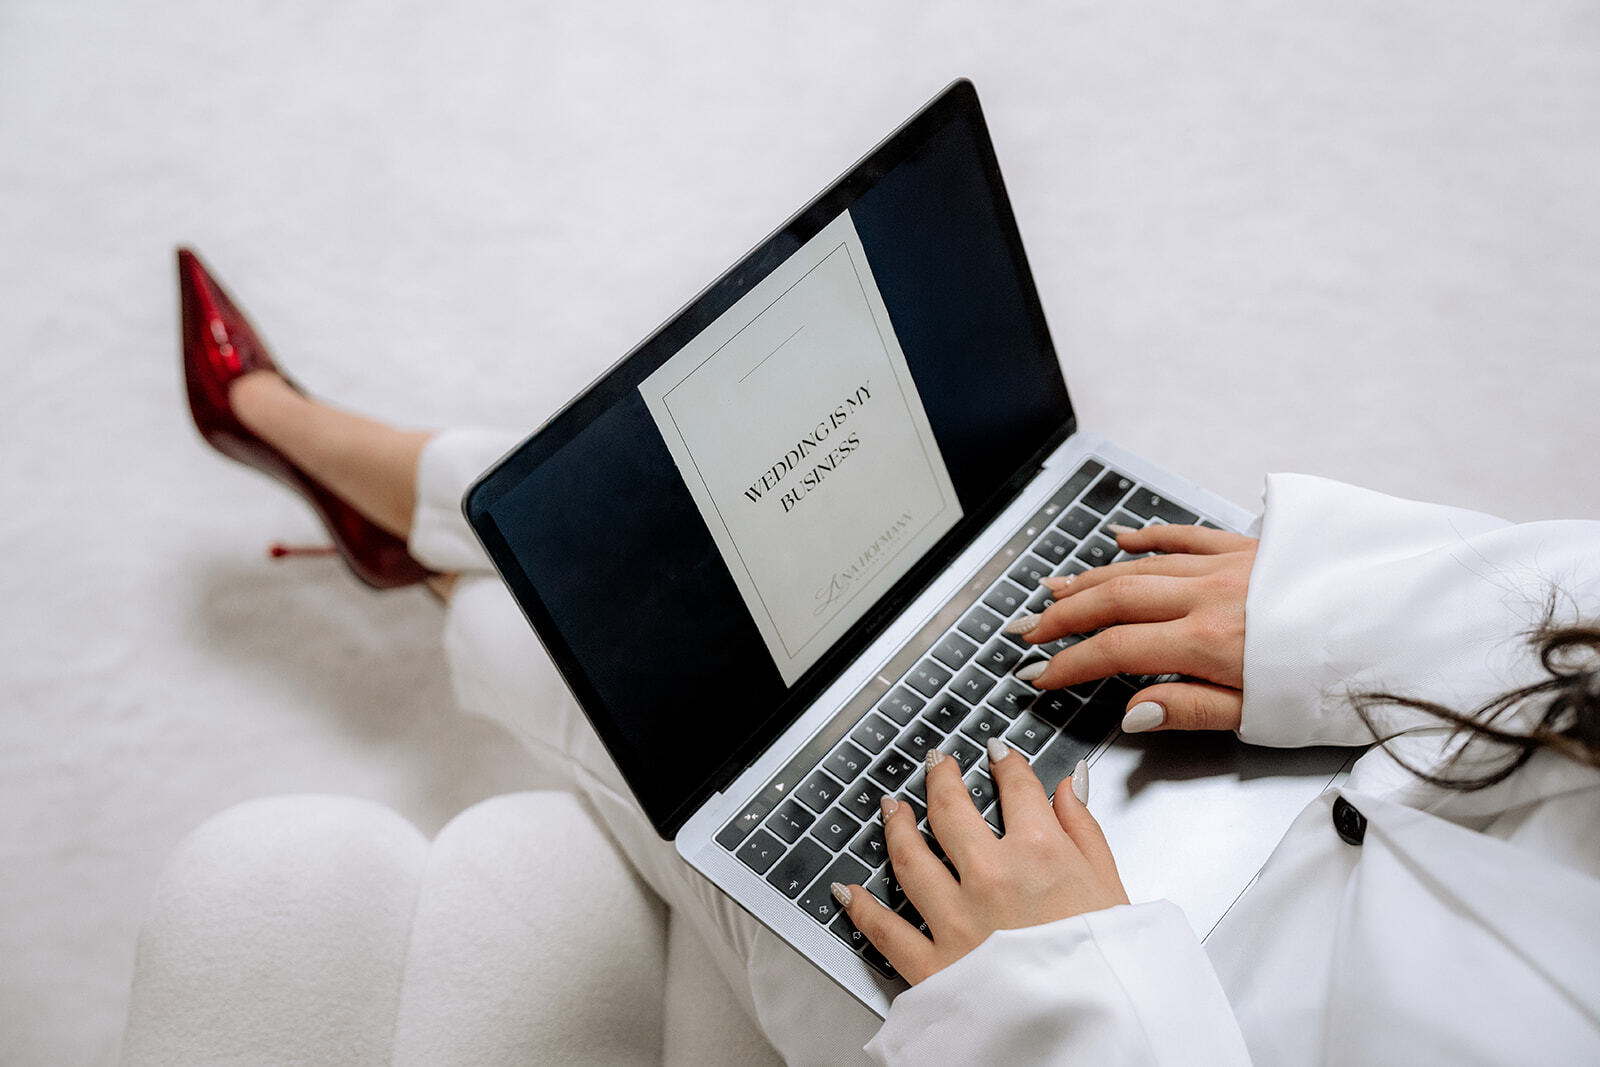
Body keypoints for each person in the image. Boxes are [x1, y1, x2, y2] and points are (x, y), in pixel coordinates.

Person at [164, 248, 1600, 1063]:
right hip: (1369, 726)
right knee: (880, 543)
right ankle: (391, 502)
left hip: (1175, 1010)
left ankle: (356, 481)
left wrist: (1069, 996)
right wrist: (1356, 624)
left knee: (640, 688)